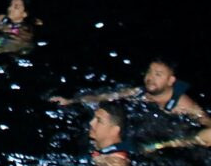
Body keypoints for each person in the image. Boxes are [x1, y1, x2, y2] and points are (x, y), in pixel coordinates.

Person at [48, 57, 211, 127]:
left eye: (158, 75)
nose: (150, 78)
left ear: (171, 81)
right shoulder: (139, 92)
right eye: (149, 72)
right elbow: (104, 97)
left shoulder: (182, 104)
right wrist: (71, 101)